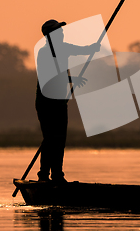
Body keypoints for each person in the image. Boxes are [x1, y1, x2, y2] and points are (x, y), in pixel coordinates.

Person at [36, 19, 100, 183]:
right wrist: (73, 79)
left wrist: (94, 47)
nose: (63, 33)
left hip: (59, 101)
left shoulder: (63, 48)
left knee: (59, 139)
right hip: (46, 102)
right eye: (59, 31)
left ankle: (57, 175)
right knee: (50, 139)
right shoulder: (44, 53)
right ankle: (43, 175)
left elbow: (84, 50)